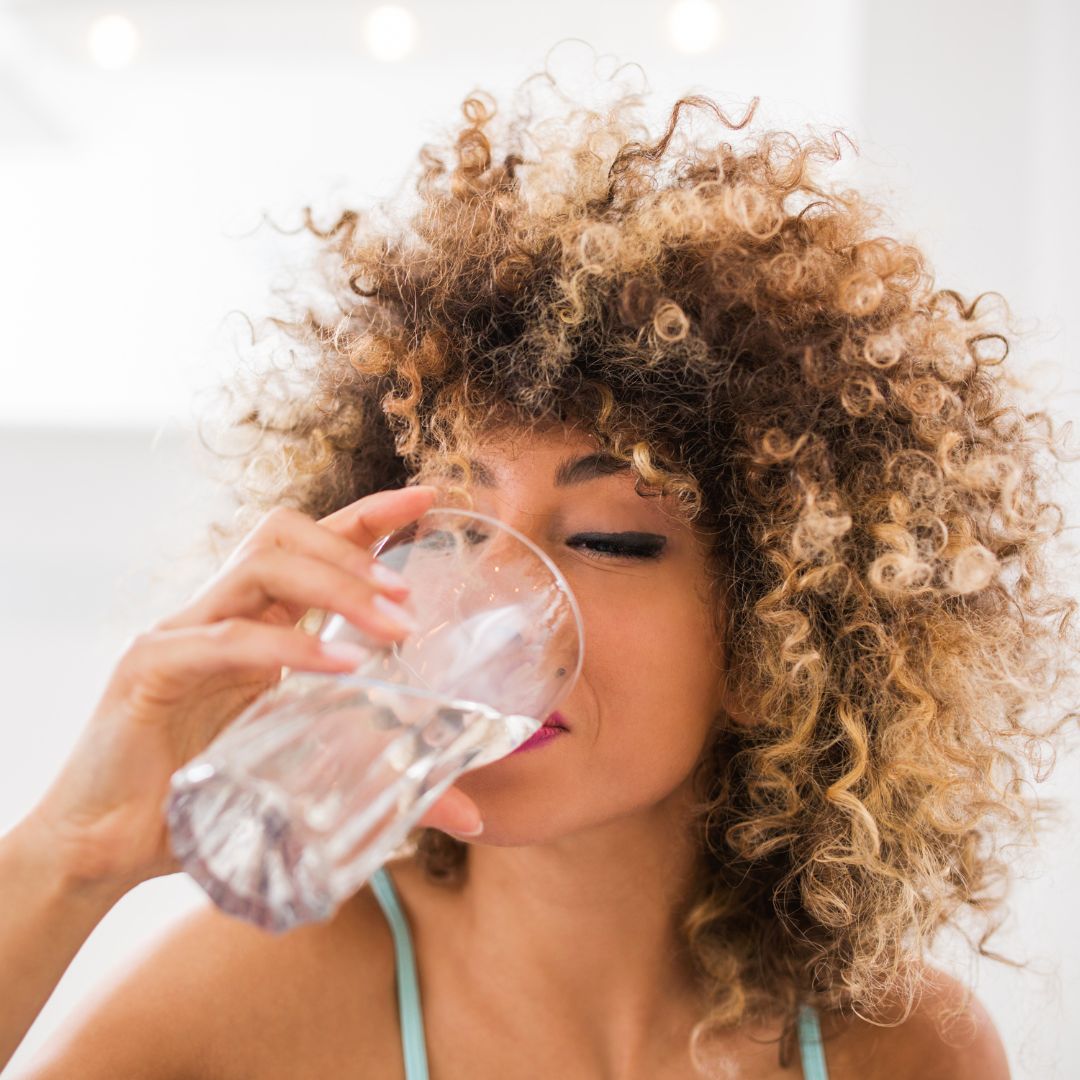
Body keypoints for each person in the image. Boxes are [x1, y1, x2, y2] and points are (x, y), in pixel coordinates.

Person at [3, 63, 1073, 1079]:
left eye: (607, 539)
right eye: (456, 529)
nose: (490, 612)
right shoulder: (258, 1001)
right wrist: (69, 855)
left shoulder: (899, 1046)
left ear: (772, 647)